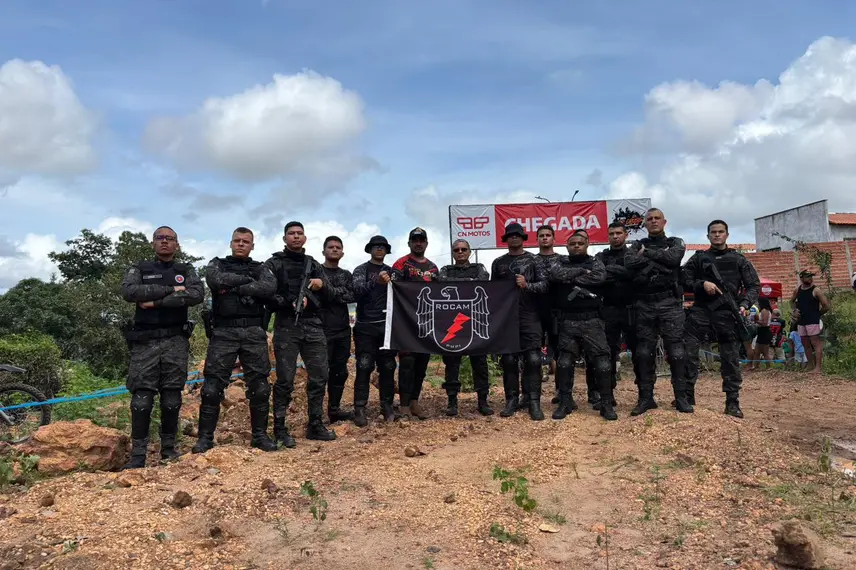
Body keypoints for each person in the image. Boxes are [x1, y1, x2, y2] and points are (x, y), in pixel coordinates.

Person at [120, 226, 204, 469]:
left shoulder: (185, 269)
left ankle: (169, 449)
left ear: (177, 245)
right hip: (144, 342)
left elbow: (196, 294)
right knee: (142, 399)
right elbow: (129, 291)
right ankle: (138, 456)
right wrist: (171, 290)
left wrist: (154, 301)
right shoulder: (140, 268)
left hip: (175, 341)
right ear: (152, 243)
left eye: (170, 239)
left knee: (171, 397)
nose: (165, 242)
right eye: (160, 238)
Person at [193, 227, 278, 454]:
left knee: (260, 387)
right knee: (212, 388)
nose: (241, 244)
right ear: (231, 243)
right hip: (223, 333)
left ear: (252, 246)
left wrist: (233, 286)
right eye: (237, 241)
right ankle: (205, 439)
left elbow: (269, 288)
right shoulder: (217, 263)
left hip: (253, 332)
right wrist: (248, 283)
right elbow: (214, 280)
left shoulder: (261, 267)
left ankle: (260, 436)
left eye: (246, 241)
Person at [265, 221, 336, 446]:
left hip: (313, 325)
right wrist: (289, 301)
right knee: (285, 378)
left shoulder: (313, 265)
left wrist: (318, 286)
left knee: (319, 375)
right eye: (291, 234)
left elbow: (331, 294)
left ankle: (315, 424)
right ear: (284, 238)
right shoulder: (274, 264)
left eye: (299, 233)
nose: (296, 237)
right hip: (287, 325)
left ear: (305, 238)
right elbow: (267, 296)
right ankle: (280, 428)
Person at [682, 220, 760, 418]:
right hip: (701, 310)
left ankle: (732, 402)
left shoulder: (739, 260)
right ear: (708, 236)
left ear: (727, 234)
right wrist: (702, 284)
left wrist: (744, 304)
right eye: (713, 232)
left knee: (730, 358)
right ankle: (687, 396)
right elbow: (683, 279)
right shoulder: (699, 258)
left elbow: (753, 285)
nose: (717, 235)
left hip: (727, 312)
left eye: (720, 232)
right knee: (688, 353)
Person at [624, 208, 688, 415]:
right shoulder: (636, 244)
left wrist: (648, 255)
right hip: (645, 304)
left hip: (670, 303)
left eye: (656, 218)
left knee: (677, 353)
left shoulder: (675, 242)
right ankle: (646, 399)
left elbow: (674, 259)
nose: (653, 222)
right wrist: (660, 258)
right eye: (649, 219)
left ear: (664, 221)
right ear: (644, 223)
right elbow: (629, 262)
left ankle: (681, 398)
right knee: (643, 353)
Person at [549, 231, 615, 420]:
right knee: (564, 363)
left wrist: (569, 279)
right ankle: (565, 402)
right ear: (567, 246)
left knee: (602, 363)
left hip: (592, 320)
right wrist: (580, 272)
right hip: (568, 320)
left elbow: (599, 277)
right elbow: (555, 274)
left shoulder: (595, 262)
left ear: (587, 245)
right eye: (572, 243)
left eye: (580, 243)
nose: (576, 246)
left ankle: (606, 403)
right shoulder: (560, 261)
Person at [491, 222, 549, 420]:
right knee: (508, 360)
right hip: (507, 317)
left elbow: (545, 286)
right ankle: (511, 400)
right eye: (510, 235)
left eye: (517, 235)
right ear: (506, 239)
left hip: (530, 315)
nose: (514, 238)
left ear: (523, 238)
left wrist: (527, 285)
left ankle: (533, 400)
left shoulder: (534, 260)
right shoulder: (498, 263)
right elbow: (492, 293)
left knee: (533, 360)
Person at [437, 239, 493, 416]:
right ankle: (452, 401)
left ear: (469, 252)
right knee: (451, 364)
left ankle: (483, 401)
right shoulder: (446, 269)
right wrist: (468, 281)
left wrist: (459, 282)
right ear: (453, 253)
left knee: (480, 363)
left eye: (463, 249)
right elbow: (440, 280)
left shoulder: (479, 267)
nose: (460, 252)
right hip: (452, 323)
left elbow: (483, 279)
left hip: (475, 323)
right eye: (456, 250)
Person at [391, 227, 439, 420]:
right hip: (405, 323)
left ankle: (414, 402)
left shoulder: (433, 268)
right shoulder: (400, 264)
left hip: (427, 323)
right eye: (415, 240)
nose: (418, 243)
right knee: (407, 363)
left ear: (426, 243)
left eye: (422, 240)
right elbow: (393, 291)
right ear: (409, 243)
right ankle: (403, 405)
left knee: (422, 363)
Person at [351, 235, 398, 425]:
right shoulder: (361, 270)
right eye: (376, 247)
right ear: (370, 249)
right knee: (364, 366)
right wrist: (376, 283)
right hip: (365, 326)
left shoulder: (393, 272)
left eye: (383, 247)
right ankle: (359, 408)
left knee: (388, 367)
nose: (379, 249)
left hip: (387, 326)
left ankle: (386, 406)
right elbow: (356, 291)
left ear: (387, 251)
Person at [593, 221, 639, 406]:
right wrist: (624, 273)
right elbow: (598, 277)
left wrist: (617, 273)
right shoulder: (601, 256)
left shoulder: (634, 254)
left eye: (619, 233)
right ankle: (607, 396)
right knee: (607, 354)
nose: (615, 236)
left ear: (626, 234)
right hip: (609, 309)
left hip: (632, 309)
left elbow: (637, 276)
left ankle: (645, 396)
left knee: (640, 353)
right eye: (612, 233)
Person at [319, 236, 356, 424]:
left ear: (342, 252)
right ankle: (315, 415)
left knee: (340, 372)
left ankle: (334, 409)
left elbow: (351, 296)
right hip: (320, 330)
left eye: (338, 247)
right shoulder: (316, 271)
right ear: (323, 251)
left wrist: (327, 291)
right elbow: (317, 297)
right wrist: (336, 293)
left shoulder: (346, 275)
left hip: (342, 330)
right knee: (320, 374)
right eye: (330, 247)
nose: (334, 249)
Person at [534, 225, 560, 395]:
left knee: (559, 352)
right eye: (541, 235)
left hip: (558, 311)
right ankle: (533, 393)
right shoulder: (530, 260)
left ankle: (561, 391)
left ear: (554, 239)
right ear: (537, 239)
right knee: (533, 353)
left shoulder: (562, 260)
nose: (545, 238)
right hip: (535, 310)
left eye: (548, 235)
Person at [790, 270, 832, 374]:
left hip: (812, 320)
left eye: (811, 276)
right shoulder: (798, 290)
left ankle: (818, 368)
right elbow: (791, 301)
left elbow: (826, 305)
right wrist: (795, 311)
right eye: (807, 276)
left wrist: (817, 314)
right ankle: (810, 365)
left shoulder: (816, 290)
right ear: (802, 278)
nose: (810, 278)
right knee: (805, 343)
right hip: (801, 321)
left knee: (815, 343)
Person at [751, 298, 773, 370]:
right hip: (760, 331)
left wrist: (756, 320)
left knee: (765, 351)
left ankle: (768, 367)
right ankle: (756, 366)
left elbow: (764, 323)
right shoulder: (762, 311)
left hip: (765, 331)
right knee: (757, 351)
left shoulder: (765, 311)